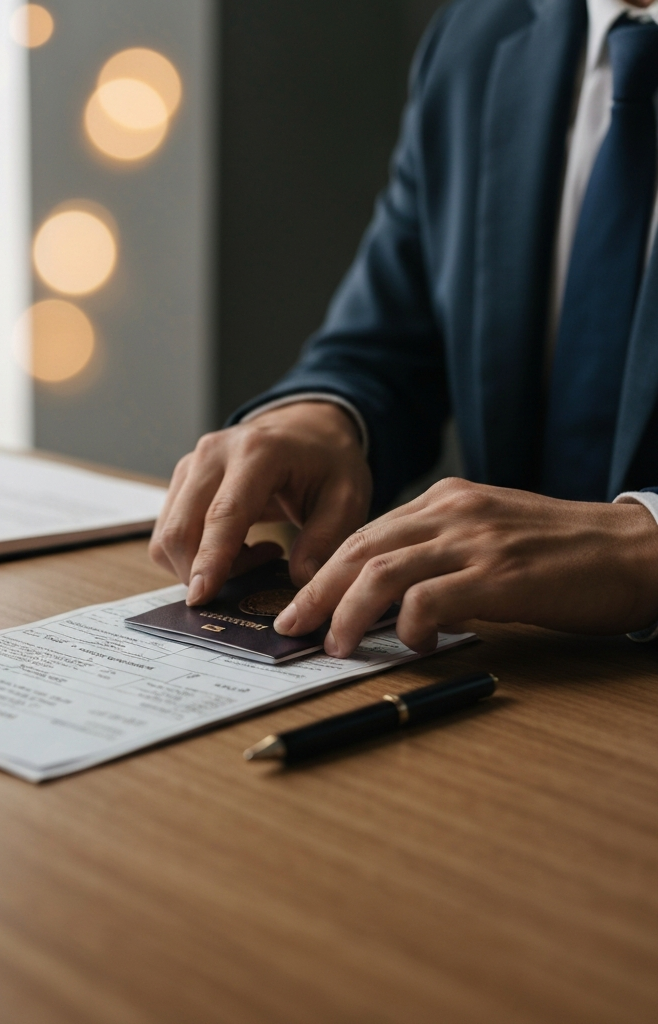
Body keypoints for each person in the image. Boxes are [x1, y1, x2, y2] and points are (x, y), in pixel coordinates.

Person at [150, 0, 658, 657]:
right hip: (508, 680)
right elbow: (385, 340)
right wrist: (325, 416)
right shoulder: (480, 34)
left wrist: (643, 548)